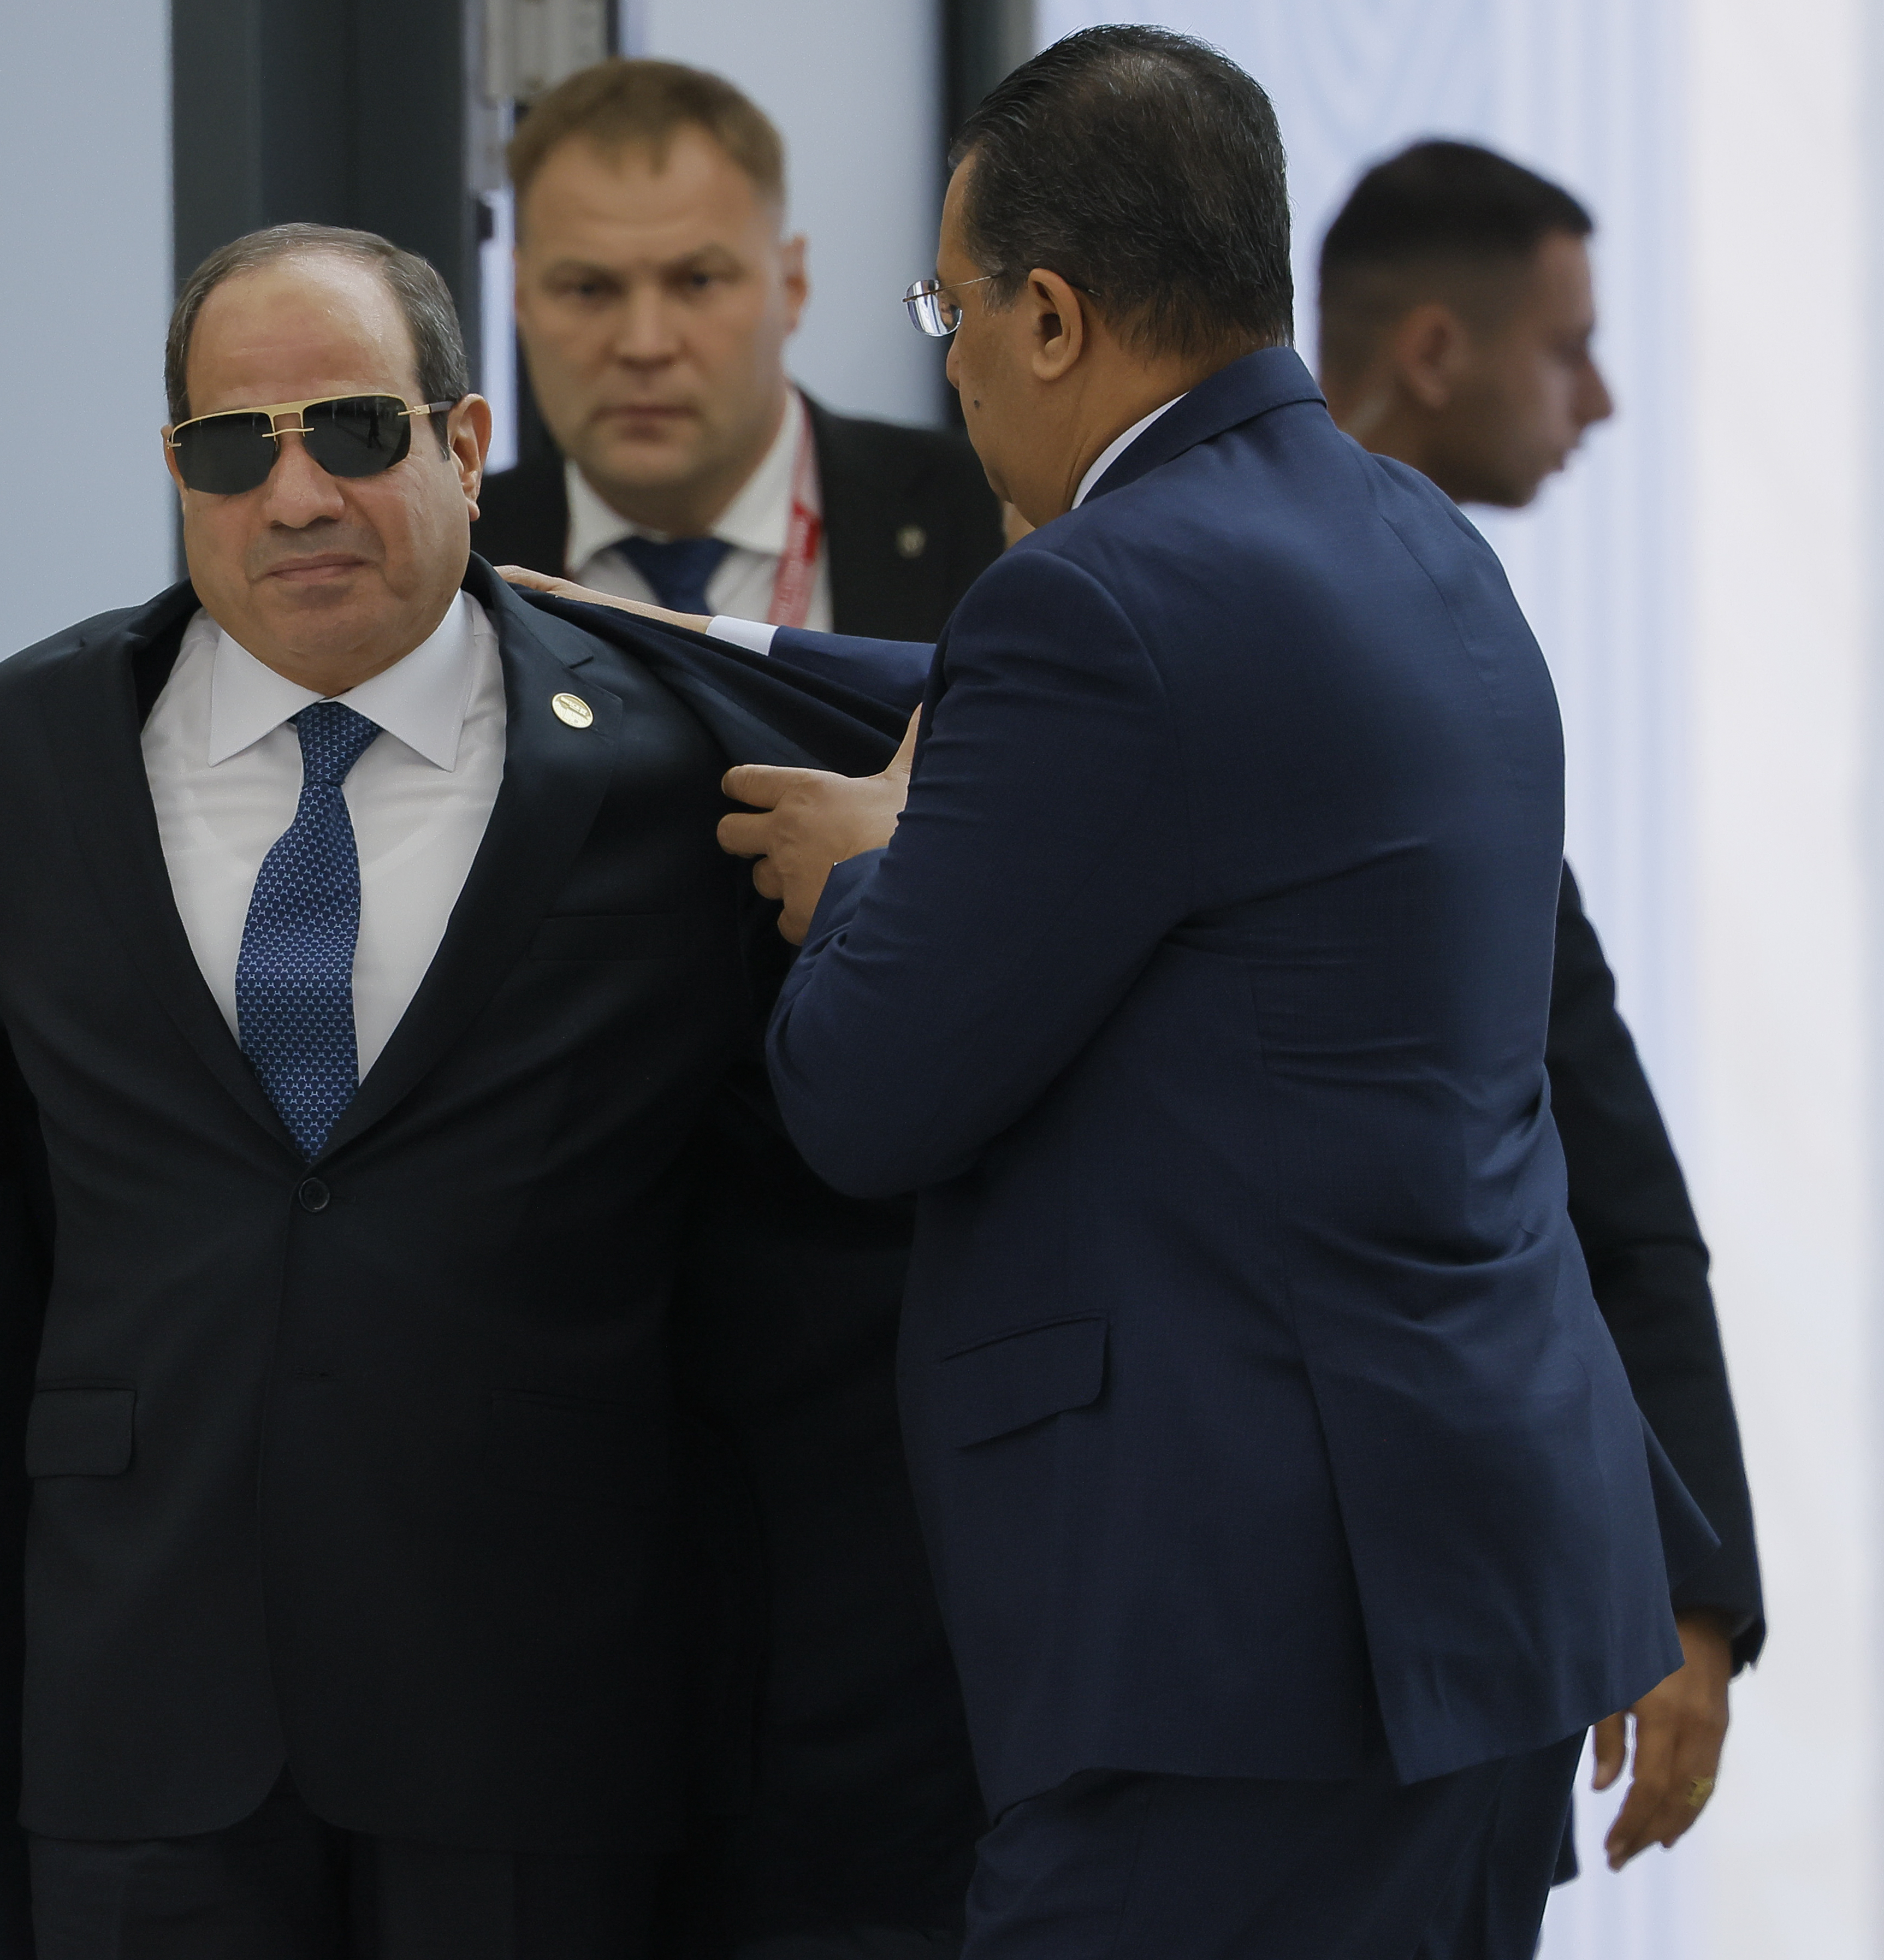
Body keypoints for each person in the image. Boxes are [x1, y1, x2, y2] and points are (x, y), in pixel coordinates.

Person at [0, 222, 981, 1960]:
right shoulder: (18, 754)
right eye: (227, 447)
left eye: (351, 430)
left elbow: (804, 1194)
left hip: (536, 1714)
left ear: (466, 445)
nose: (292, 496)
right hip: (138, 1705)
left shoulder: (662, 768)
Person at [686, 29, 1710, 1956]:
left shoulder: (1085, 603)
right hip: (1464, 1596)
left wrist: (866, 875)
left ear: (1052, 314)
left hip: (1230, 1639)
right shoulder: (1420, 540)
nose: (951, 353)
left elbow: (864, 1094)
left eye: (952, 305)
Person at [1318, 137, 1762, 1877]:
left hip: (1428, 1627)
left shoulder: (1446, 642)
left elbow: (1578, 1134)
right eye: (1562, 344)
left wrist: (1690, 1574)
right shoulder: (1152, 618)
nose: (1597, 398)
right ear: (1432, 349)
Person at [472, 58, 1000, 639]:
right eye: (588, 289)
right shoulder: (450, 565)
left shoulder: (991, 524)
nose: (644, 346)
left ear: (792, 286)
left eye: (697, 282)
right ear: (519, 300)